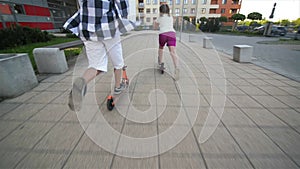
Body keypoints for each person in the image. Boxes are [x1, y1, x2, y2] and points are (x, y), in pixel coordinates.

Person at [63, 0, 134, 111]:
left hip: (87, 27)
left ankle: (80, 86)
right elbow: (122, 3)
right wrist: (123, 19)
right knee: (118, 63)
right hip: (108, 26)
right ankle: (117, 88)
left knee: (95, 66)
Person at [154, 3, 179, 80]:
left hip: (163, 34)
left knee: (161, 48)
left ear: (160, 11)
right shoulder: (170, 17)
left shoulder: (160, 17)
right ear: (168, 10)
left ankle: (161, 63)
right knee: (173, 52)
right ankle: (176, 67)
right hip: (172, 34)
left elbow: (155, 27)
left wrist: (156, 25)